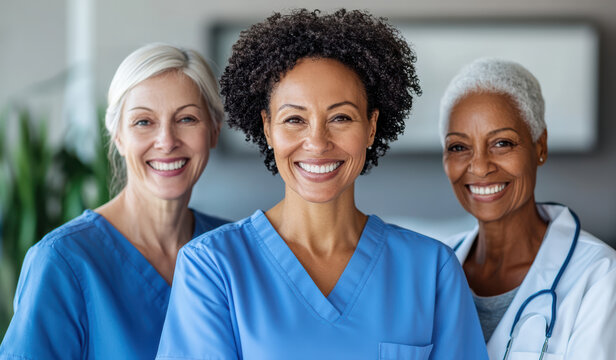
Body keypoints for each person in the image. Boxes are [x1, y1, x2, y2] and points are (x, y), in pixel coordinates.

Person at [156, 9, 487, 360]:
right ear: (268, 127)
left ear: (371, 127)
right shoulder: (212, 268)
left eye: (341, 117)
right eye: (294, 119)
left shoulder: (431, 270)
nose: (317, 142)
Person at [0, 43, 228, 359]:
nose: (167, 141)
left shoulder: (232, 251)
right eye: (143, 122)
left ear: (214, 131)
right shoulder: (62, 261)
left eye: (187, 119)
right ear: (118, 136)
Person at [439, 57, 616, 359]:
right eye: (459, 147)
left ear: (540, 146)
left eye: (502, 143)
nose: (479, 167)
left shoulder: (599, 277)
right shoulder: (431, 270)